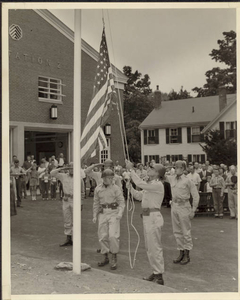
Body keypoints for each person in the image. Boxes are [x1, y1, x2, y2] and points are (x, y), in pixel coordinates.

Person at [126, 160, 165, 285]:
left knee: (155, 247)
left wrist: (131, 170)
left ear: (157, 173)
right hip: (148, 216)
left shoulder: (158, 185)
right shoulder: (151, 185)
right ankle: (155, 272)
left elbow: (140, 183)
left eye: (152, 168)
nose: (149, 169)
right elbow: (139, 195)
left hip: (153, 217)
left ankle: (159, 274)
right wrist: (130, 188)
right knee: (149, 247)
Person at [167, 160, 199, 265]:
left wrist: (193, 210)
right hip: (174, 206)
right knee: (177, 231)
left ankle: (187, 254)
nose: (176, 169)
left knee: (186, 231)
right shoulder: (172, 179)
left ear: (184, 169)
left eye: (179, 167)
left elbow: (195, 195)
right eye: (175, 167)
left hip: (184, 206)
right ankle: (180, 252)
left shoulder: (188, 180)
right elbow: (161, 175)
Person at [93, 169, 125, 270]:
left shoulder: (116, 188)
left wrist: (120, 213)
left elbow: (121, 203)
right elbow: (96, 203)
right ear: (103, 178)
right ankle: (105, 256)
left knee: (113, 236)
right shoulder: (98, 189)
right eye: (108, 178)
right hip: (103, 213)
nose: (110, 180)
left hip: (113, 213)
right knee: (102, 236)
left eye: (111, 178)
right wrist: (94, 215)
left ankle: (114, 256)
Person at [51, 163, 84, 247]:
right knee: (67, 219)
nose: (71, 170)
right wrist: (62, 168)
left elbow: (82, 192)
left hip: (75, 200)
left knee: (76, 220)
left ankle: (76, 239)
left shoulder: (79, 178)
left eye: (73, 168)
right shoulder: (63, 176)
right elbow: (52, 173)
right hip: (66, 199)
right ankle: (68, 238)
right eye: (70, 168)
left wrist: (81, 202)